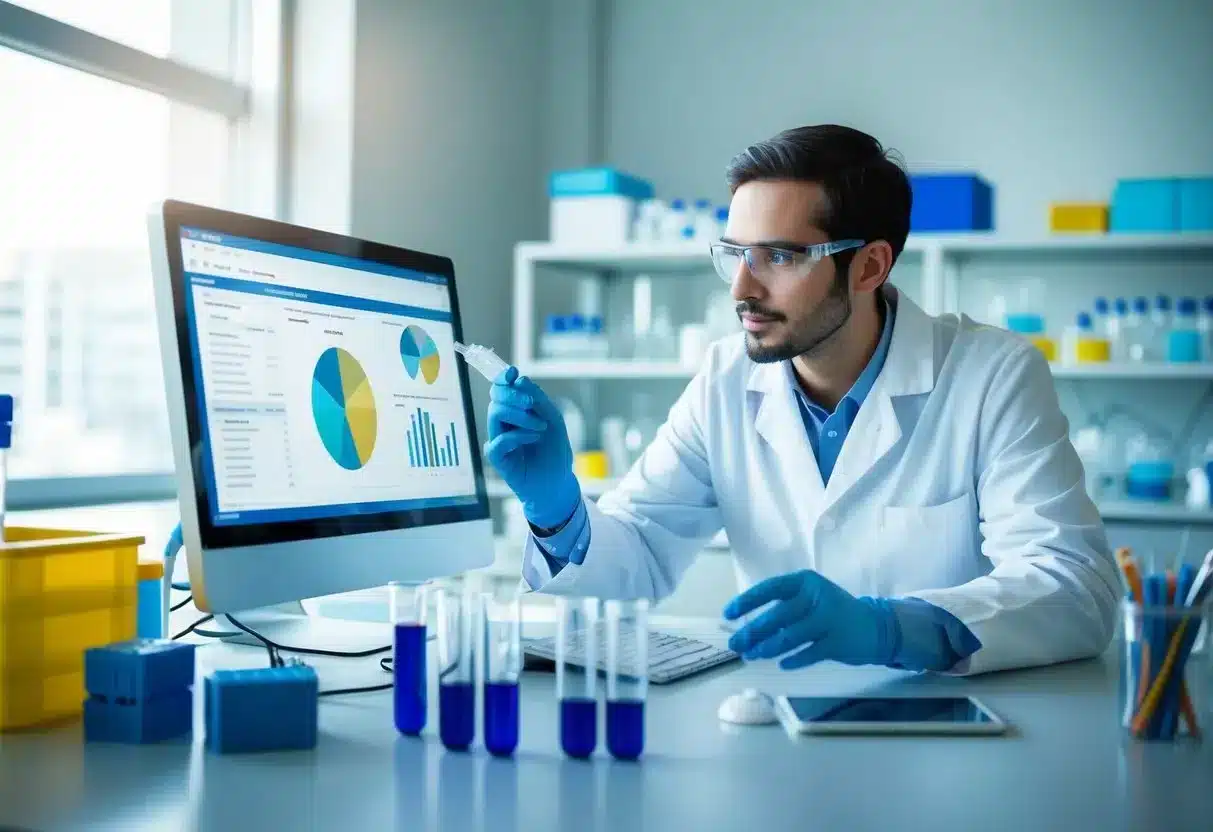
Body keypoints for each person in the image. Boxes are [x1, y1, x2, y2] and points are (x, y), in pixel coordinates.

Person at [486, 124, 1119, 675]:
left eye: (780, 256)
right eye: (734, 254)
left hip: (945, 733)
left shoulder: (992, 376)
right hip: (775, 721)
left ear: (870, 267)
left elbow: (1074, 588)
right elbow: (639, 559)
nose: (742, 287)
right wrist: (557, 507)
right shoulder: (725, 380)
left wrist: (890, 629)